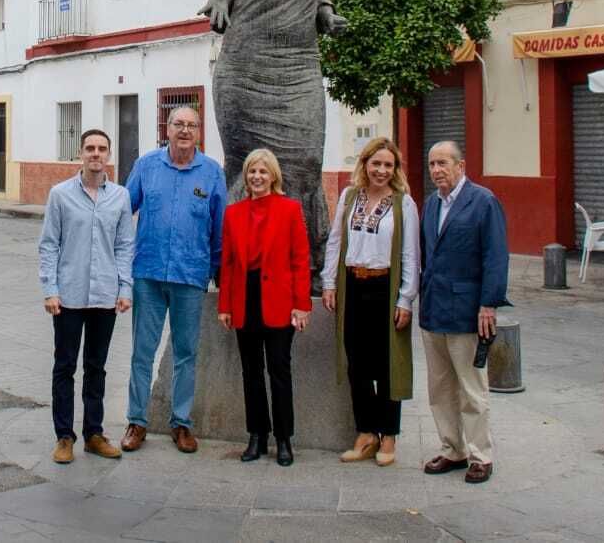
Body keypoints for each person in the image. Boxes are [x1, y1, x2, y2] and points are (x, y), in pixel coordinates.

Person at [199, 0, 347, 286]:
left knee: (304, 162)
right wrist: (218, 3)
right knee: (247, 166)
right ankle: (236, 264)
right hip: (246, 65)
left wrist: (327, 16)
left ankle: (307, 265)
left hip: (300, 65)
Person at [121, 106, 227, 455]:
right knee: (142, 352)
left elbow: (219, 229)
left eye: (191, 125)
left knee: (186, 353)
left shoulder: (212, 173)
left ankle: (181, 423)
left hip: (189, 275)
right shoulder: (146, 166)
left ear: (199, 132)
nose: (184, 130)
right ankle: (137, 421)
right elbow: (123, 214)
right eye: (178, 124)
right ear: (166, 129)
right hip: (148, 274)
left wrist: (215, 271)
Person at [38, 128, 135, 465]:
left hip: (105, 295)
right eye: (90, 148)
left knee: (97, 367)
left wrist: (125, 289)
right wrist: (50, 289)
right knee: (64, 366)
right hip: (68, 296)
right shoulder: (60, 195)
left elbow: (124, 246)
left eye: (102, 149)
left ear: (109, 155)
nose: (96, 153)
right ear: (81, 153)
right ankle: (64, 437)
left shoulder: (120, 197)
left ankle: (94, 433)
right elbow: (49, 243)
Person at [321, 136, 419, 467]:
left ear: (395, 169)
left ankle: (388, 434)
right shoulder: (350, 197)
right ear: (364, 164)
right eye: (375, 163)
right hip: (353, 286)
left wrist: (405, 299)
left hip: (385, 288)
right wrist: (330, 282)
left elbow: (410, 255)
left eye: (388, 165)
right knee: (357, 363)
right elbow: (335, 241)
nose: (381, 170)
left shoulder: (403, 204)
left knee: (388, 363)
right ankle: (366, 433)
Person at [419, 140, 508, 485]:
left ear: (461, 165)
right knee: (440, 389)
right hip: (434, 310)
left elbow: (495, 256)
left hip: (466, 311)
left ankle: (480, 456)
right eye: (432, 164)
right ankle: (452, 449)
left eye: (443, 163)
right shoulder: (430, 204)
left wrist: (489, 303)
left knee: (472, 389)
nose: (437, 170)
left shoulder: (483, 202)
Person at [216, 150, 311, 467]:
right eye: (252, 171)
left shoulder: (290, 209)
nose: (257, 177)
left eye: (263, 171)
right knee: (251, 372)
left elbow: (300, 260)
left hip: (279, 300)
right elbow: (227, 263)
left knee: (279, 371)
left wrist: (301, 305)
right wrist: (225, 305)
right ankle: (257, 434)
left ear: (273, 176)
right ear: (246, 176)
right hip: (245, 298)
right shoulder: (234, 213)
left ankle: (284, 439)